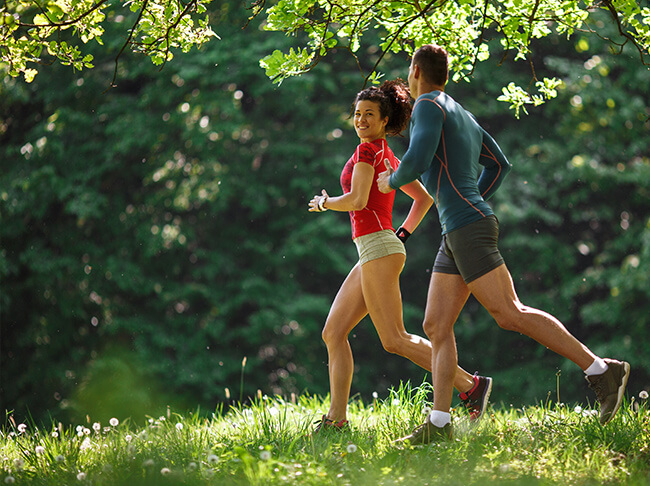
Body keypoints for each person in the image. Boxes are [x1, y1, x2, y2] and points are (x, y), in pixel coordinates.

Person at [377, 44, 631, 444]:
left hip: (466, 225)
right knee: (435, 324)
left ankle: (601, 370)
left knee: (510, 312)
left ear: (415, 71)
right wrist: (472, 201)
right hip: (460, 226)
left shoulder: (428, 105)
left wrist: (391, 180)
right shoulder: (460, 111)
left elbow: (418, 157)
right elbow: (500, 165)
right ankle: (439, 424)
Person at [308, 79, 493, 432]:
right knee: (333, 332)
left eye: (369, 115)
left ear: (384, 121)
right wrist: (402, 235)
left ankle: (471, 385)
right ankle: (336, 419)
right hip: (377, 248)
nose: (361, 120)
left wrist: (325, 202)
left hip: (378, 247)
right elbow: (422, 200)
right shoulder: (389, 155)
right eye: (358, 114)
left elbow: (358, 200)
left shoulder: (367, 152)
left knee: (394, 339)